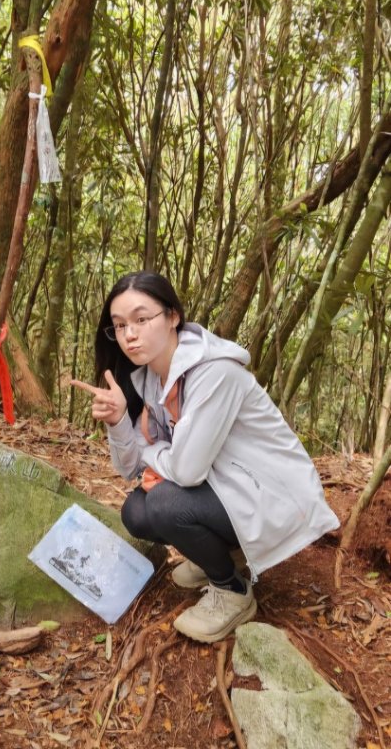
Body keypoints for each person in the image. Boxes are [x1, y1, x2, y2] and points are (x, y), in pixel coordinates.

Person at [72, 271, 339, 644]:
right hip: (229, 489)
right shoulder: (148, 380)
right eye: (119, 326)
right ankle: (225, 554)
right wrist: (118, 421)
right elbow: (129, 469)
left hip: (272, 497)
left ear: (173, 317)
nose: (129, 334)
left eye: (141, 319)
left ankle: (231, 591)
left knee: (164, 502)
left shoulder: (216, 373)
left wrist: (152, 452)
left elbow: (187, 470)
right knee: (136, 511)